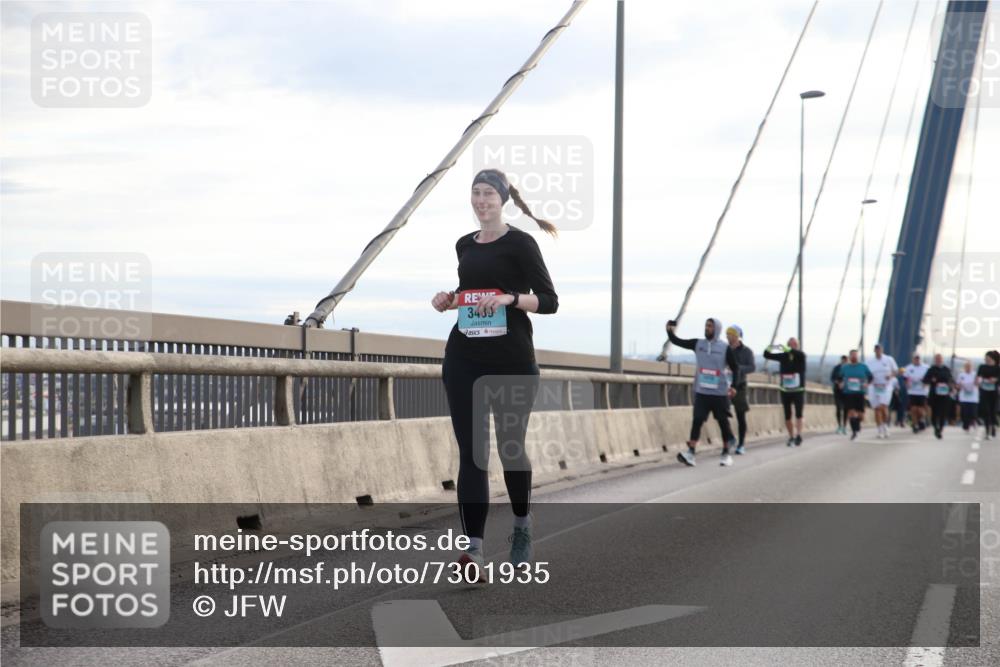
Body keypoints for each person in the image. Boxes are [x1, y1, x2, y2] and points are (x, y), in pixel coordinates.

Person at [432, 168, 559, 578]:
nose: (481, 199)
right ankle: (474, 552)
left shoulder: (521, 243)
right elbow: (471, 294)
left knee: (510, 448)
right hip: (464, 358)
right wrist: (449, 300)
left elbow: (550, 301)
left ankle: (522, 524)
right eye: (476, 192)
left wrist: (510, 299)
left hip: (511, 361)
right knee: (472, 453)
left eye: (488, 193)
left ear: (503, 199)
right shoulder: (464, 244)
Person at [667, 318, 742, 467]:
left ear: (717, 329)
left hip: (720, 392)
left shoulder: (724, 348)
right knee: (697, 420)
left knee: (723, 422)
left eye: (710, 326)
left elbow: (736, 368)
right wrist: (669, 331)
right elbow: (677, 341)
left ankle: (726, 453)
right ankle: (691, 453)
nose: (707, 328)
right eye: (706, 325)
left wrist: (734, 386)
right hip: (702, 391)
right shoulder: (698, 344)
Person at [763, 338, 807, 446]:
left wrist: (788, 349)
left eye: (794, 344)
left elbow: (796, 353)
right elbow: (766, 354)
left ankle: (799, 435)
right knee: (787, 415)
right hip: (785, 389)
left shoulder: (800, 355)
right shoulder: (783, 355)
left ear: (797, 345)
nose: (792, 346)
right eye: (790, 344)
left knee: (799, 413)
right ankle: (791, 436)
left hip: (798, 389)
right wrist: (773, 347)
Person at [725, 325, 755, 455]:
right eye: (727, 334)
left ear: (737, 336)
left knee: (740, 416)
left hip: (739, 386)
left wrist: (737, 368)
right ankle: (731, 437)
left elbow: (752, 367)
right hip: (725, 385)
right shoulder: (724, 349)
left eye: (731, 334)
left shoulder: (747, 351)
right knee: (721, 413)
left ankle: (741, 444)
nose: (728, 336)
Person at [865, 343, 899, 439]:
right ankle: (879, 429)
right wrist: (867, 381)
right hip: (874, 386)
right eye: (876, 349)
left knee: (883, 407)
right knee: (876, 408)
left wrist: (890, 376)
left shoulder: (889, 359)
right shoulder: (869, 361)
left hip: (886, 386)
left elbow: (896, 371)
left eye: (879, 349)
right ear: (874, 351)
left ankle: (885, 426)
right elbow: (865, 373)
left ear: (882, 350)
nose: (878, 351)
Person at [839, 349, 873, 440]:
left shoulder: (863, 367)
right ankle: (854, 432)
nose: (854, 356)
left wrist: (867, 383)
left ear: (857, 356)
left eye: (855, 355)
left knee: (861, 415)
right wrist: (840, 383)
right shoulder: (845, 367)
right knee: (851, 412)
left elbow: (870, 377)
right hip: (848, 393)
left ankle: (857, 424)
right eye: (852, 355)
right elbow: (839, 377)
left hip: (860, 392)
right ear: (850, 357)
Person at [922, 353, 954, 439]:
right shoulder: (931, 369)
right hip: (934, 395)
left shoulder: (946, 369)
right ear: (935, 360)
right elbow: (925, 380)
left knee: (943, 413)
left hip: (945, 394)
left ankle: (941, 428)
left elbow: (951, 380)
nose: (938, 360)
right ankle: (936, 428)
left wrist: (950, 386)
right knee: (935, 413)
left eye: (940, 359)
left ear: (942, 360)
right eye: (937, 359)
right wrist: (932, 380)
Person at [903, 353, 930, 433]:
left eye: (918, 358)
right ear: (913, 359)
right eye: (915, 358)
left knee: (920, 410)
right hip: (912, 391)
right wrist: (907, 383)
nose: (917, 360)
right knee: (913, 409)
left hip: (922, 392)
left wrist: (926, 383)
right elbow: (905, 378)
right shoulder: (908, 368)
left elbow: (929, 378)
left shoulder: (926, 367)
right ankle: (915, 425)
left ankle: (921, 419)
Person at [977, 350, 999, 440]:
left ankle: (993, 427)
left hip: (994, 392)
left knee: (993, 411)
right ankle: (987, 431)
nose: (986, 359)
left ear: (992, 359)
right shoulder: (982, 367)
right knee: (986, 411)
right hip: (984, 391)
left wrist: (995, 380)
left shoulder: (997, 368)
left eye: (988, 358)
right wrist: (979, 380)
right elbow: (978, 376)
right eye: (985, 358)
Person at [957, 360, 980, 432]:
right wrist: (961, 386)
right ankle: (966, 425)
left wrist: (976, 382)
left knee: (973, 412)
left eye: (969, 367)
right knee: (965, 413)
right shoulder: (961, 375)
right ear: (964, 367)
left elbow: (979, 384)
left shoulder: (975, 375)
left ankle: (973, 421)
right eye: (967, 367)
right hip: (964, 397)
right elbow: (957, 385)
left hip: (973, 397)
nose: (968, 368)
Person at [831, 355, 849, 434]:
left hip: (846, 391)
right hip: (837, 390)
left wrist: (844, 383)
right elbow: (832, 378)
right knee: (838, 408)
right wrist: (838, 383)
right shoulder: (836, 368)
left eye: (846, 360)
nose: (844, 362)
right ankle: (839, 426)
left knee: (846, 409)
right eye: (843, 360)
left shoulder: (849, 368)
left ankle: (844, 426)